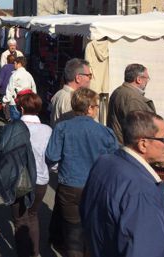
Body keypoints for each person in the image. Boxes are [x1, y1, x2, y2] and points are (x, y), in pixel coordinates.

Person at [80, 111, 164, 257]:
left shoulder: (104, 162)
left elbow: (85, 210)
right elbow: (146, 249)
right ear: (143, 144)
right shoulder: (143, 191)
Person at [45, 87, 119, 257]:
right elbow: (114, 160)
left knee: (73, 233)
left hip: (69, 185)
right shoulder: (105, 132)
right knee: (92, 231)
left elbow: (51, 156)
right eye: (96, 106)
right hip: (96, 187)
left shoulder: (62, 127)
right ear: (89, 108)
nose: (97, 110)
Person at [14, 92, 52, 257]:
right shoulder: (47, 130)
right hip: (40, 180)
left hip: (18, 179)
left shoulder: (13, 128)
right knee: (33, 215)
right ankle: (35, 253)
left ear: (21, 108)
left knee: (20, 219)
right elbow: (52, 158)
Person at [106, 63, 156, 144]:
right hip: (128, 149)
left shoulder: (119, 91)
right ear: (139, 79)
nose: (147, 81)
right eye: (147, 78)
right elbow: (139, 130)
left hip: (118, 145)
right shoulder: (133, 99)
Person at [49, 58, 92, 127]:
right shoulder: (73, 99)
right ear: (78, 78)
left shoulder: (58, 94)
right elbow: (76, 128)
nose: (90, 79)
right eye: (89, 76)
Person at [3, 57, 37, 121]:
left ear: (19, 64)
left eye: (15, 63)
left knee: (15, 123)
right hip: (26, 102)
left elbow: (10, 89)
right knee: (24, 122)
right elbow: (34, 88)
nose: (14, 65)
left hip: (15, 101)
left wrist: (5, 100)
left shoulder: (15, 75)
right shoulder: (29, 75)